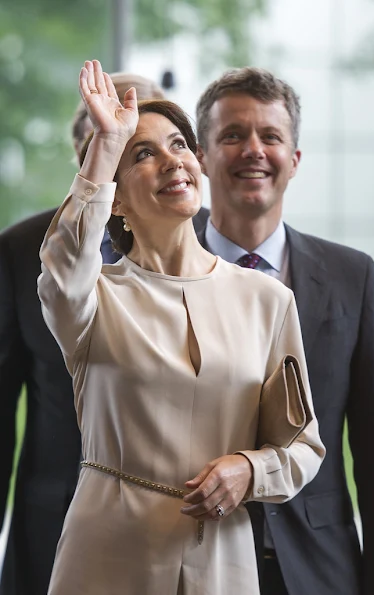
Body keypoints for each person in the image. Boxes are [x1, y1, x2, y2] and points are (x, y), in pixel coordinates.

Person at [37, 59, 325, 595]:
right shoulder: (91, 296)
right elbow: (63, 261)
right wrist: (106, 144)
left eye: (179, 145)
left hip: (222, 561)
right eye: (143, 154)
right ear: (115, 199)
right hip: (106, 557)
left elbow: (303, 447)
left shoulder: (267, 299)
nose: (173, 162)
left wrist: (249, 469)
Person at [195, 67, 374, 595]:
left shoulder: (351, 276)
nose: (253, 150)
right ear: (201, 157)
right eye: (232, 135)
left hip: (318, 569)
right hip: (190, 560)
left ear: (294, 160)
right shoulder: (154, 274)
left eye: (270, 136)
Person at [0, 71, 201, 595]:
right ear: (83, 154)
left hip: (184, 527)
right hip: (56, 514)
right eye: (115, 136)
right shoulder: (24, 251)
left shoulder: (210, 256)